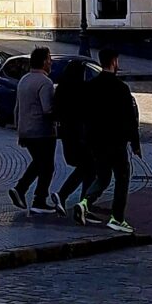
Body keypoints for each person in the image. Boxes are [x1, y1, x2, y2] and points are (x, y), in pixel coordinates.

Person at [75, 46, 142, 232]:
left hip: (96, 141)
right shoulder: (121, 88)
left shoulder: (90, 86)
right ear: (114, 61)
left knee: (103, 176)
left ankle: (85, 202)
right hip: (116, 141)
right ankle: (117, 217)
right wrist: (135, 144)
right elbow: (130, 119)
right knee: (122, 177)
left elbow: (84, 115)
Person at [9, 47, 58, 214]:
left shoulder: (24, 80)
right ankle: (35, 197)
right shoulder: (45, 83)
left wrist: (19, 129)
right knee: (46, 165)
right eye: (49, 59)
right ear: (44, 62)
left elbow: (17, 107)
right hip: (42, 131)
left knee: (40, 162)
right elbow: (48, 109)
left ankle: (25, 191)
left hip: (26, 130)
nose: (51, 62)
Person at [52, 56, 95, 213]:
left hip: (67, 135)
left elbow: (56, 112)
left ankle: (81, 201)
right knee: (88, 167)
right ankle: (73, 198)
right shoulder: (82, 89)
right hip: (81, 135)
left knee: (86, 167)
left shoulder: (61, 89)